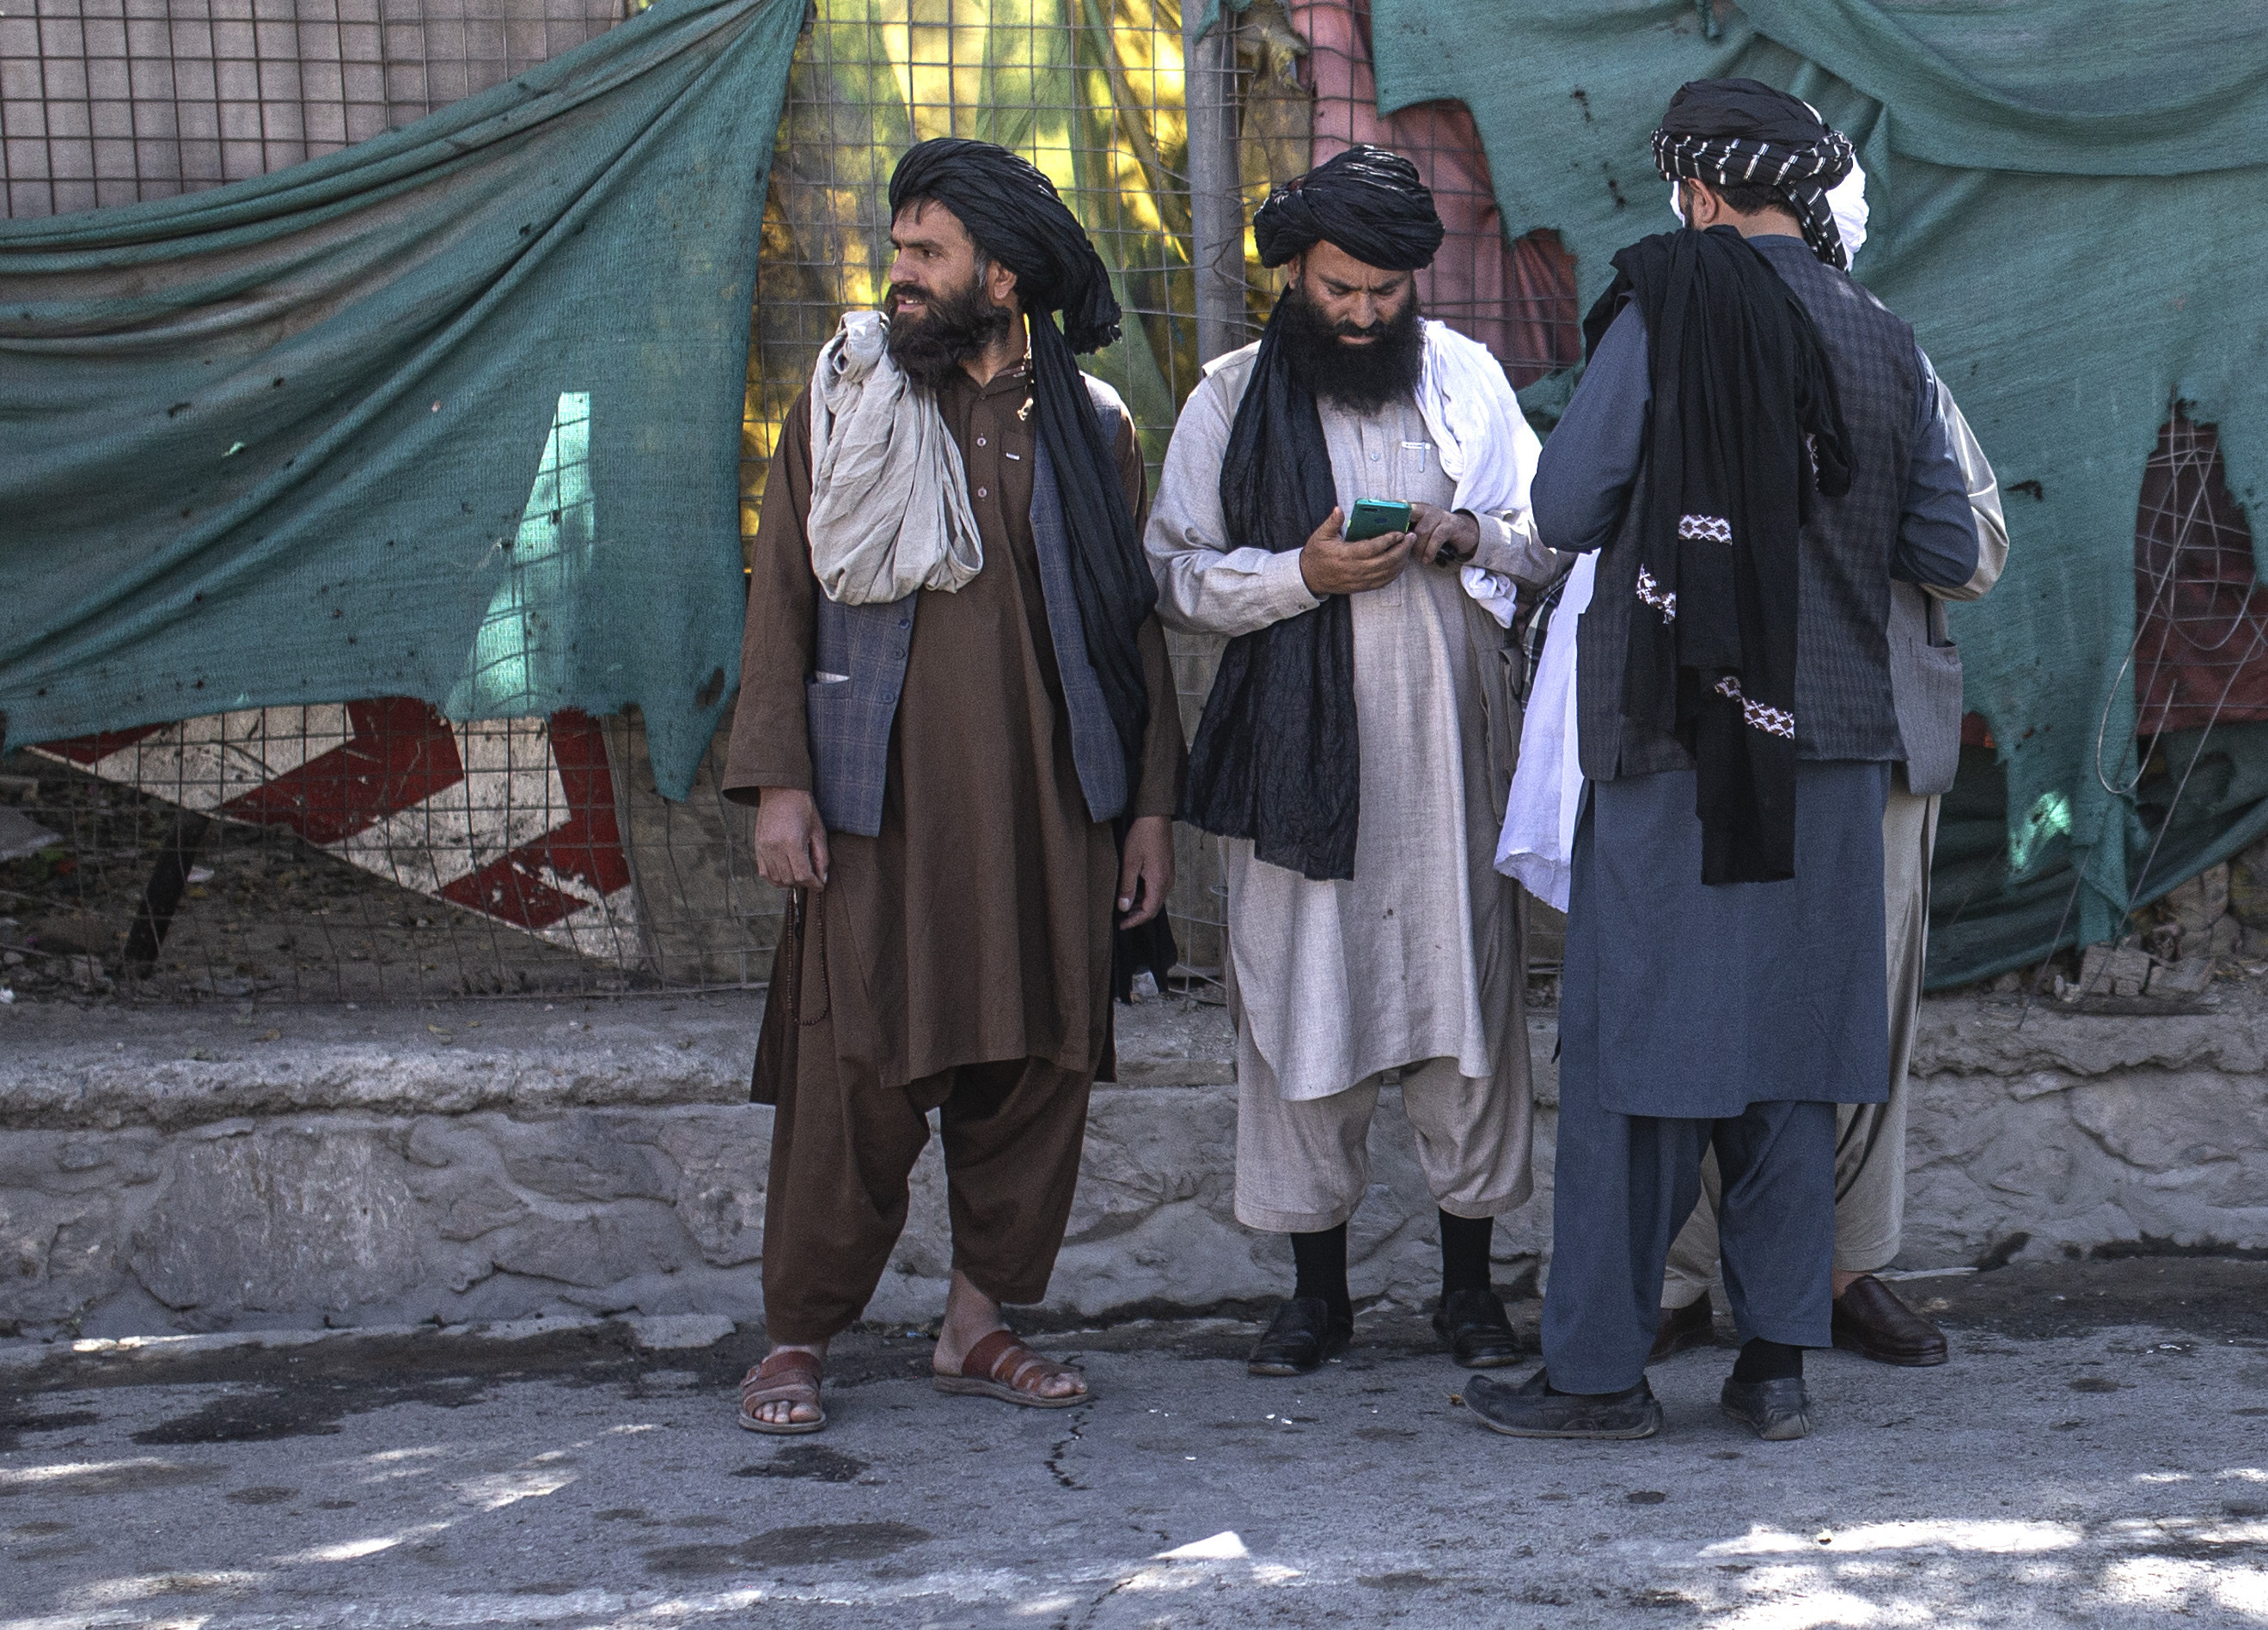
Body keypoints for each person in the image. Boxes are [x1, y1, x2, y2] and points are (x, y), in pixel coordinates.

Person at [1499, 79, 1981, 1445]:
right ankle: (1775, 1368)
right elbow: (1945, 547)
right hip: (1828, 749)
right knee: (1787, 1057)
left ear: (1698, 195)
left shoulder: (1663, 316)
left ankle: (1594, 1374)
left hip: (1673, 744)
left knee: (1638, 1060)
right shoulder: (1885, 339)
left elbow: (1566, 504)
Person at [724, 138, 1183, 1437]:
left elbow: (1126, 629)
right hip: (882, 806)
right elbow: (784, 598)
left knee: (1039, 1068)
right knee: (850, 1077)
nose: (897, 278)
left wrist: (1146, 806)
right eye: (897, 249)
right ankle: (798, 1335)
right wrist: (778, 785)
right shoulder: (847, 401)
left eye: (925, 255)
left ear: (1005, 273)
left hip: (1051, 812)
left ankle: (977, 1324)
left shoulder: (1091, 428)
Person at [1151, 147, 1559, 1377]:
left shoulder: (1468, 381)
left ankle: (1469, 1294)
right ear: (1293, 276)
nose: (1365, 311)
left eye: (1385, 290)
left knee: (1464, 1013)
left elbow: (1544, 542)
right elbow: (1172, 570)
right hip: (1296, 766)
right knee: (1300, 1008)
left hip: (1449, 758)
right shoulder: (1227, 400)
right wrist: (1299, 575)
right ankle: (1313, 1299)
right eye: (1339, 288)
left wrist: (1464, 531)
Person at [1654, 171, 2010, 1374]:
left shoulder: (1888, 353)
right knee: (1716, 1006)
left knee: (1845, 1019)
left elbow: (1966, 544)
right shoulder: (1675, 333)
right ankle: (1685, 1274)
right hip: (1718, 729)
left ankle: (1837, 1268)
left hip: (1867, 737)